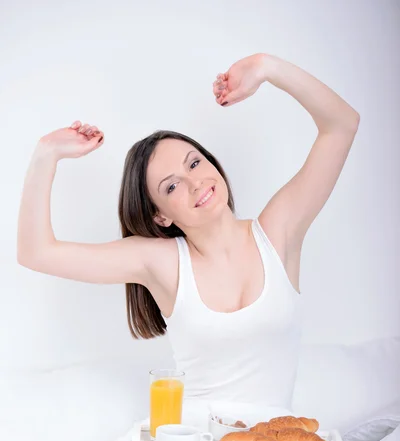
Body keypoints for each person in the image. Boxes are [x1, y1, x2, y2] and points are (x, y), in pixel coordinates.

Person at [17, 52, 359, 407]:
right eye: (171, 186)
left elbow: (342, 125)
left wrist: (268, 67)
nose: (195, 183)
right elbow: (35, 252)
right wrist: (46, 154)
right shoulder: (161, 261)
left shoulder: (277, 233)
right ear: (160, 217)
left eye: (194, 162)